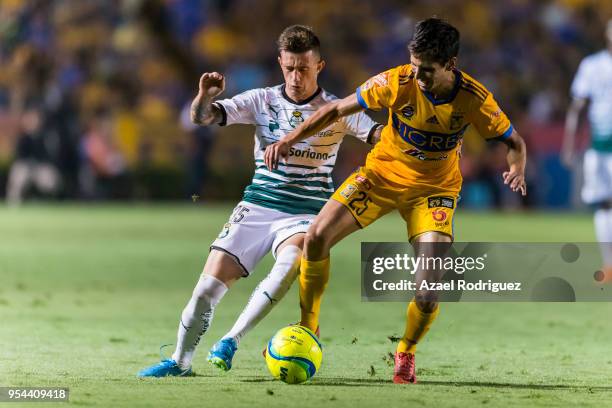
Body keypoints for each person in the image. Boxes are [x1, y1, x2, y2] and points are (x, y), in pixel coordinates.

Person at [264, 18, 527, 384]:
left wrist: (517, 169)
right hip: (380, 176)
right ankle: (309, 327)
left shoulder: (475, 99)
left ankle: (406, 349)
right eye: (414, 65)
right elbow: (335, 110)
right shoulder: (395, 81)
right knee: (316, 237)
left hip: (434, 192)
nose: (417, 77)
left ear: (451, 65)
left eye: (427, 71)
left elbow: (514, 142)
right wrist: (289, 140)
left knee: (428, 292)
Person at [138, 25, 381, 377]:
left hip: (306, 212)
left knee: (289, 262)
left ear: (320, 66)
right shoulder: (261, 100)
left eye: (304, 68)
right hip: (257, 206)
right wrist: (205, 95)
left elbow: (377, 135)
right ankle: (180, 361)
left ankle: (231, 340)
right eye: (289, 68)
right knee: (207, 289)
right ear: (280, 63)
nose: (296, 77)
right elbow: (202, 117)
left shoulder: (337, 109)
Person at [562, 18, 612, 281]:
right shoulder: (592, 65)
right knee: (603, 204)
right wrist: (569, 143)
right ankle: (609, 263)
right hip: (600, 146)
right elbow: (578, 106)